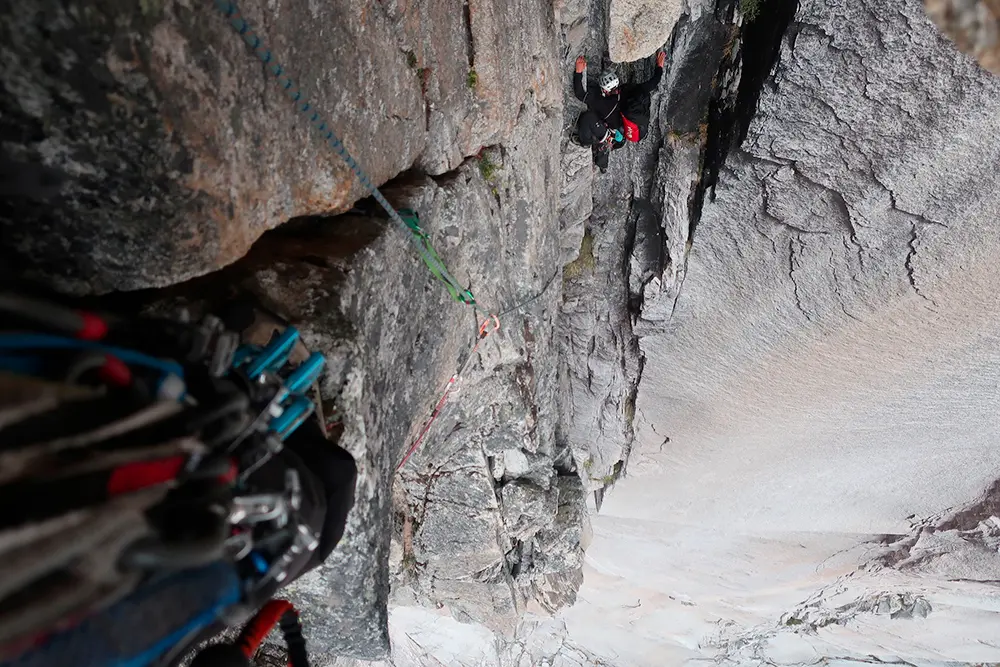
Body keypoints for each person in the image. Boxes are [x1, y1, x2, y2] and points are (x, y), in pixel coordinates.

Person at [573, 50, 668, 172]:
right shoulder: (630, 91)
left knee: (588, 117)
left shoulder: (601, 103)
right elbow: (653, 82)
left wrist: (578, 72)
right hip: (621, 137)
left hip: (610, 134)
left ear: (604, 90)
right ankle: (603, 159)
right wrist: (660, 66)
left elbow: (580, 93)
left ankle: (585, 142)